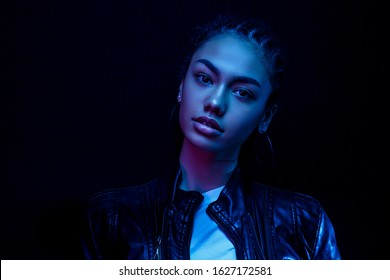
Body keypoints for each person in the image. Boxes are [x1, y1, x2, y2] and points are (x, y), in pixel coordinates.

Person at [80, 14, 341, 260]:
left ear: (265, 117)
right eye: (204, 78)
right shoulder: (111, 218)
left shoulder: (303, 222)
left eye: (242, 93)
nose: (215, 102)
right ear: (182, 85)